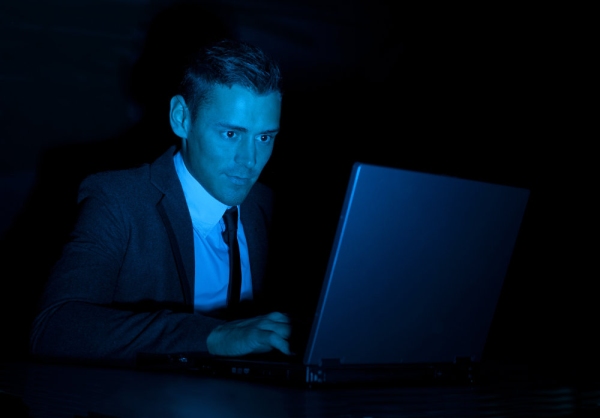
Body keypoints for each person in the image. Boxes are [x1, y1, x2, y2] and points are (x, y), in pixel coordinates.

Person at [29, 39, 292, 365]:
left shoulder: (267, 205)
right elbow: (54, 329)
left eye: (265, 137)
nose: (250, 160)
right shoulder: (117, 202)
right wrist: (212, 337)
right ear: (181, 118)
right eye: (230, 134)